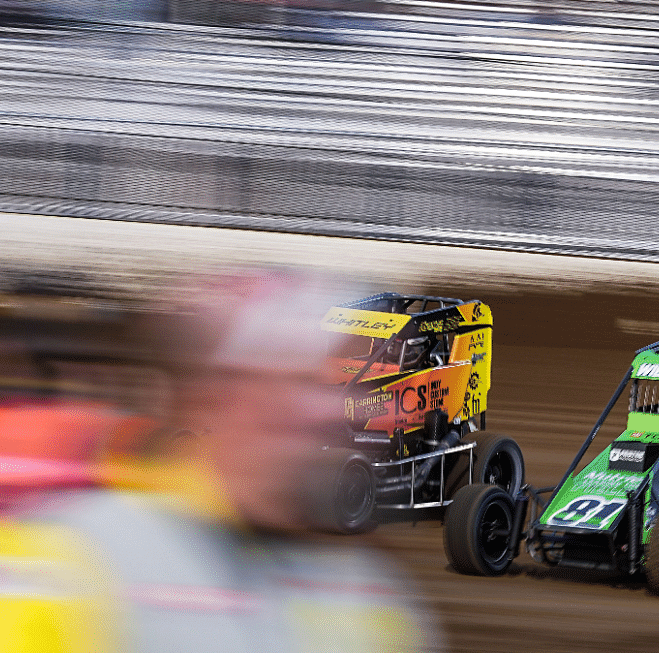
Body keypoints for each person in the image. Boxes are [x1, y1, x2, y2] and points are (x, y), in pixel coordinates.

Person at [0, 271, 444, 653]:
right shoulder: (63, 555)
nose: (340, 412)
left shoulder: (374, 593)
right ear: (217, 395)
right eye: (313, 380)